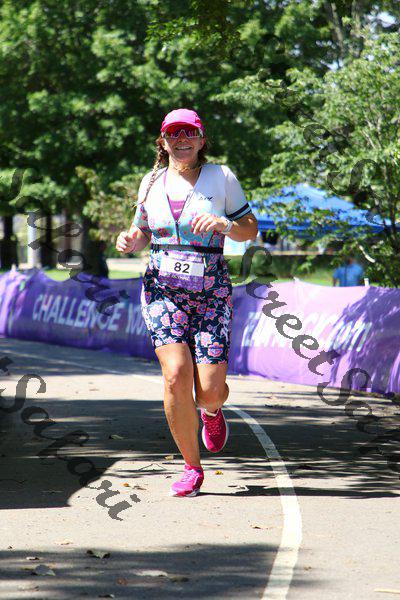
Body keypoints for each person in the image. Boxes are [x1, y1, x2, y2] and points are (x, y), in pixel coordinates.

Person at [116, 108, 258, 497]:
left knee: (209, 389)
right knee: (176, 374)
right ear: (162, 142)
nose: (181, 141)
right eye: (173, 134)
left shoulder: (221, 177)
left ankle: (212, 410)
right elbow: (141, 230)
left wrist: (225, 225)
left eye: (189, 134)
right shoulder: (151, 181)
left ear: (201, 140)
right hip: (163, 291)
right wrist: (129, 240)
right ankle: (191, 467)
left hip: (211, 292)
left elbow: (249, 229)